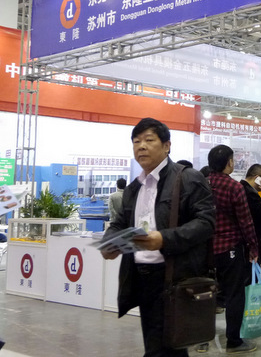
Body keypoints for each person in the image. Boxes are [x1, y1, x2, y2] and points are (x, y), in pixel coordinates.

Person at [101, 118, 215, 357]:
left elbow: (206, 223)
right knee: (161, 345)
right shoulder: (134, 188)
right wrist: (110, 242)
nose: (141, 146)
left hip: (173, 277)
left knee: (166, 346)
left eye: (149, 140)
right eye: (136, 142)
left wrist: (164, 239)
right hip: (142, 277)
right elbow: (120, 223)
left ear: (167, 146)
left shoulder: (188, 178)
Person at [208, 145, 259, 354]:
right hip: (230, 249)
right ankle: (234, 341)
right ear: (229, 163)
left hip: (205, 250)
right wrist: (253, 247)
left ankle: (201, 338)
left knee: (205, 294)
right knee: (234, 295)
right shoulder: (234, 187)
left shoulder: (202, 184)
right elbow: (245, 221)